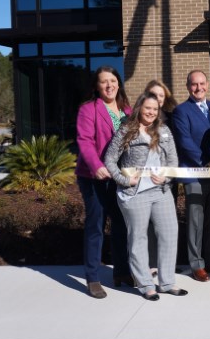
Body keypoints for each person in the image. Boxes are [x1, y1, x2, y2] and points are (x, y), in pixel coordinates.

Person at [103, 92, 187, 300]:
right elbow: (110, 160)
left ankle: (167, 282)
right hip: (134, 194)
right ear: (139, 108)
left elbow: (173, 162)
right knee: (138, 238)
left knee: (169, 233)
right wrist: (124, 180)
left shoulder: (164, 130)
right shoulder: (126, 131)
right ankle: (145, 284)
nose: (151, 112)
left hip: (161, 192)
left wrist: (166, 178)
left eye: (155, 109)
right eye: (147, 108)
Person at [76, 66, 132, 299]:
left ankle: (121, 272)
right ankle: (93, 277)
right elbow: (85, 140)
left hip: (120, 177)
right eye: (103, 82)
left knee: (120, 224)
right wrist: (96, 165)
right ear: (96, 86)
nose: (109, 85)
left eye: (112, 80)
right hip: (94, 176)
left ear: (118, 83)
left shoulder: (126, 110)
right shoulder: (88, 109)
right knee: (96, 225)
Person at [172, 70, 210, 282]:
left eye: (202, 83)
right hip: (194, 172)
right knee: (196, 221)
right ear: (188, 87)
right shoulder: (181, 111)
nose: (199, 88)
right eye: (194, 84)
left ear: (207, 85)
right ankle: (197, 264)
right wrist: (206, 162)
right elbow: (185, 142)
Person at [144, 79, 179, 274]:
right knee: (149, 224)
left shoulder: (173, 119)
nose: (157, 99)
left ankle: (167, 265)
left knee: (166, 225)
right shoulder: (140, 119)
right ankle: (151, 264)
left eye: (161, 95)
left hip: (167, 180)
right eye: (153, 94)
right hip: (145, 181)